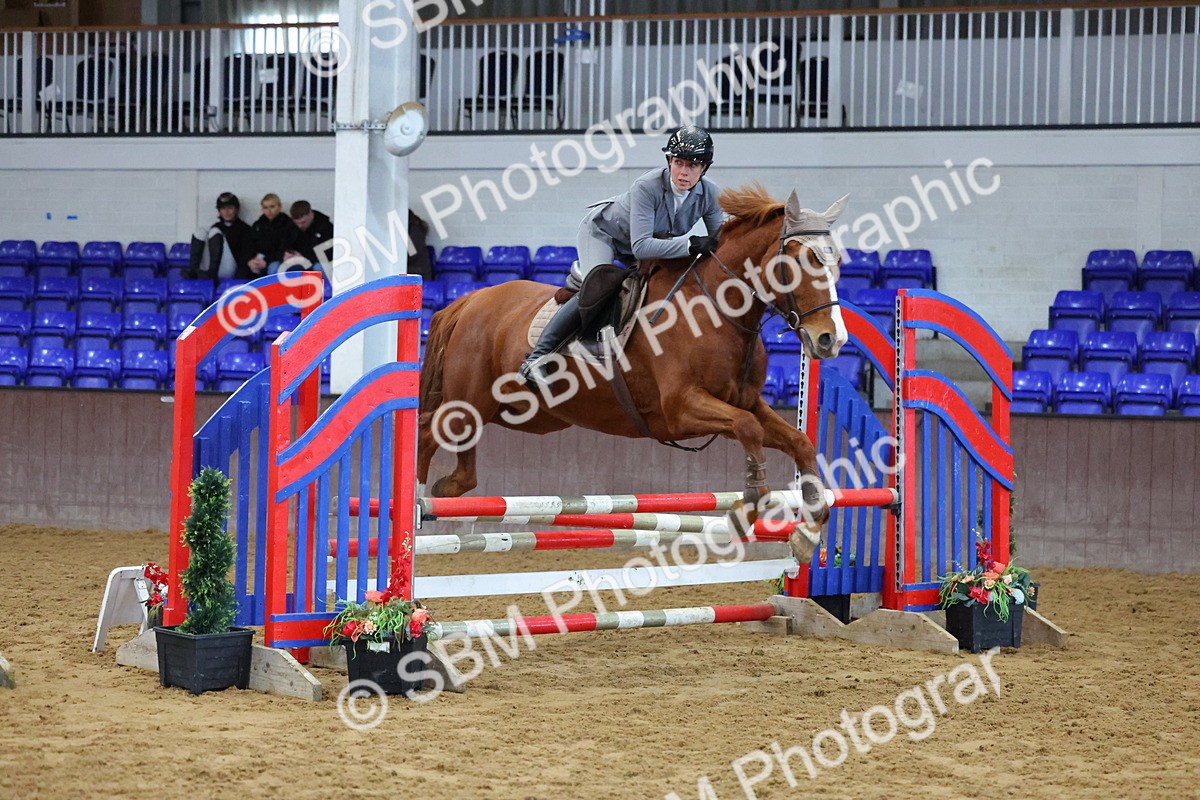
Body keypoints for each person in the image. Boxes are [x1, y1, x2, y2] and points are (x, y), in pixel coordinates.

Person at [518, 125, 724, 386]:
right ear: (669, 161)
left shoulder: (710, 194)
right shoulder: (646, 187)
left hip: (646, 243)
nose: (684, 172)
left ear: (704, 169)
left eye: (693, 166)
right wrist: (691, 244)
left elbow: (719, 241)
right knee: (599, 285)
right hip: (604, 234)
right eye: (678, 162)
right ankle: (536, 358)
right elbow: (641, 247)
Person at [187, 192, 257, 286]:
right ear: (219, 211)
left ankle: (212, 273)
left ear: (236, 209)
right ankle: (193, 270)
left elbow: (246, 255)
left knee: (214, 232)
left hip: (230, 268)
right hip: (210, 266)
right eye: (223, 208)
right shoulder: (216, 226)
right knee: (200, 232)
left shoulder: (244, 229)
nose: (226, 212)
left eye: (230, 208)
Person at [248, 193, 299, 275]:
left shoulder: (287, 224)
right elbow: (250, 245)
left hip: (278, 259)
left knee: (273, 267)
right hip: (259, 258)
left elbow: (285, 248)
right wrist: (250, 260)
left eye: (272, 206)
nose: (269, 211)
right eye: (265, 207)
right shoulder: (258, 225)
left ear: (279, 207)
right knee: (243, 270)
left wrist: (266, 261)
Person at [283, 199, 334, 270]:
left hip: (319, 261)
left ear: (310, 214)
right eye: (296, 223)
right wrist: (287, 254)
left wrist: (304, 258)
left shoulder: (325, 227)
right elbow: (285, 243)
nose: (299, 226)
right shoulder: (290, 226)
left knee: (319, 267)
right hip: (299, 260)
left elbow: (328, 254)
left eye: (303, 222)